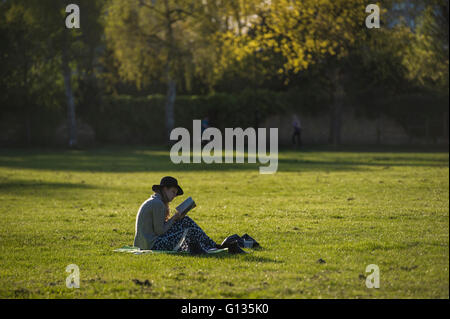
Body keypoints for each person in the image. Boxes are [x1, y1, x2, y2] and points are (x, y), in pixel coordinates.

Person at [133, 176, 244, 254]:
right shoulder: (158, 204)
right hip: (153, 245)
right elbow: (160, 231)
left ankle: (214, 245)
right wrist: (174, 218)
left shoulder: (155, 201)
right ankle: (214, 246)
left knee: (185, 220)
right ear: (164, 189)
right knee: (189, 230)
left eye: (175, 194)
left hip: (147, 243)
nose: (174, 196)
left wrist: (176, 219)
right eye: (172, 192)